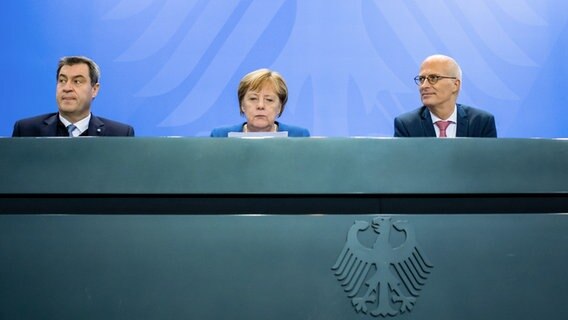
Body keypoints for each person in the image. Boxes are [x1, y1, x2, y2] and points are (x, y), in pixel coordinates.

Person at [12, 56, 134, 137]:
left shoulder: (119, 135)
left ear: (94, 90)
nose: (67, 88)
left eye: (77, 81)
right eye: (62, 80)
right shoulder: (26, 130)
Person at [394, 54, 496, 138]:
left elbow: (489, 162)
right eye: (421, 79)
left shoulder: (481, 123)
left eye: (433, 78)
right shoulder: (407, 125)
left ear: (455, 85)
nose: (424, 86)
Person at [210, 68, 310, 137]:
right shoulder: (221, 137)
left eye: (269, 100)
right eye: (253, 99)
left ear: (280, 107)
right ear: (242, 105)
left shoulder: (298, 136)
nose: (260, 106)